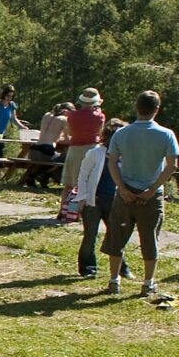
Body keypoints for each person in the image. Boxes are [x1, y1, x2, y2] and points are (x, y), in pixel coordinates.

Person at [101, 90, 179, 298]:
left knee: (116, 237)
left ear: (136, 108)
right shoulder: (166, 134)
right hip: (151, 196)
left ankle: (113, 280)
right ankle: (148, 282)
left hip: (125, 192)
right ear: (157, 109)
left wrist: (123, 188)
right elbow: (172, 165)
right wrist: (152, 189)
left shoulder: (121, 133)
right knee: (150, 238)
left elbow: (111, 161)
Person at [70, 117, 128, 278]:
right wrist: (82, 197)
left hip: (115, 202)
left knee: (116, 235)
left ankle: (122, 268)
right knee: (90, 235)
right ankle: (88, 268)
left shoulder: (125, 156)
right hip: (93, 200)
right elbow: (83, 175)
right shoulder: (95, 153)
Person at [60, 88, 106, 221]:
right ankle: (79, 213)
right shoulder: (99, 116)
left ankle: (63, 210)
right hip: (91, 148)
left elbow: (69, 132)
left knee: (69, 184)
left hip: (74, 149)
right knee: (86, 182)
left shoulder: (72, 115)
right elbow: (101, 132)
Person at [22, 101, 70, 189]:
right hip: (46, 150)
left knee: (48, 161)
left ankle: (33, 176)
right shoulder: (63, 119)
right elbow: (67, 139)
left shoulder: (47, 115)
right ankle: (43, 176)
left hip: (34, 149)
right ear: (66, 112)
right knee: (63, 160)